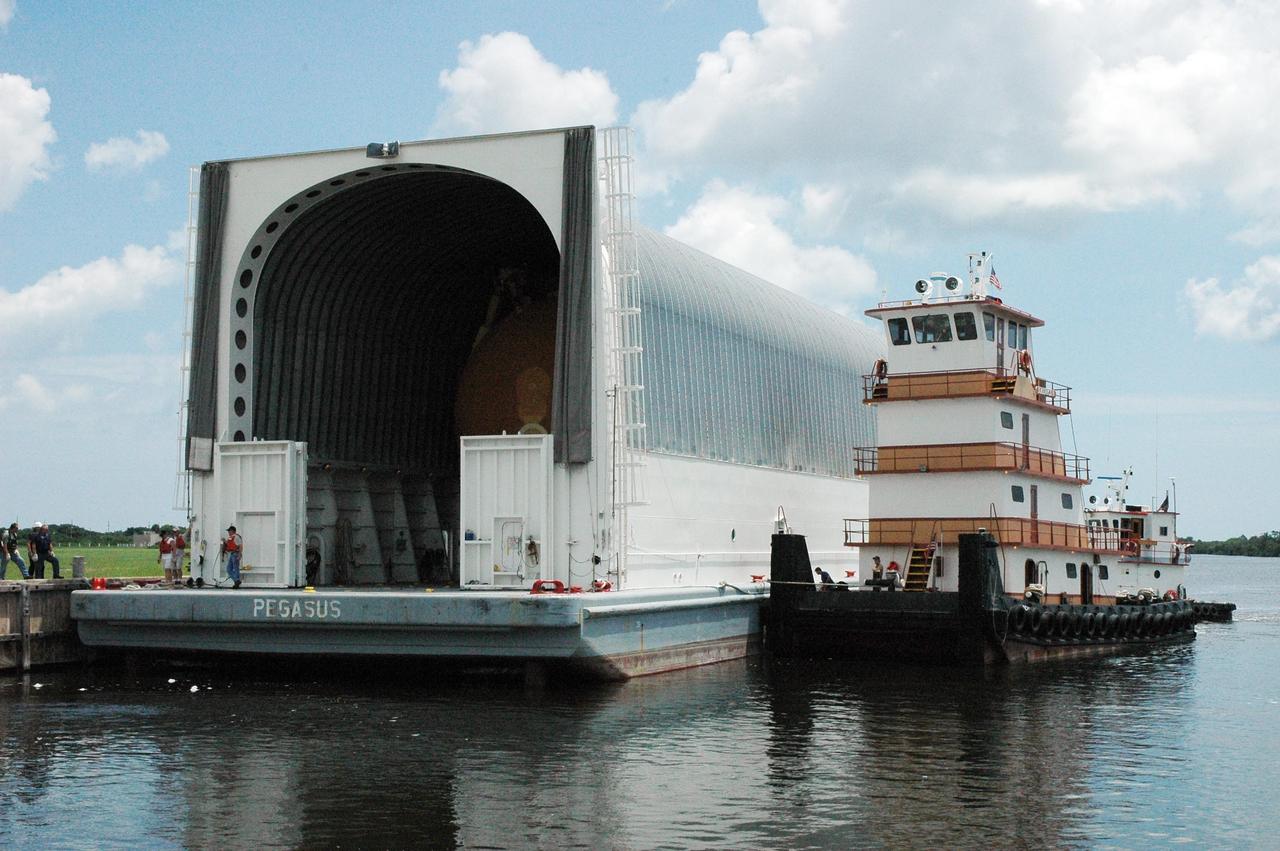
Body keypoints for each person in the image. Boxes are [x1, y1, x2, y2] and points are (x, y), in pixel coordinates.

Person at [221, 525, 242, 589]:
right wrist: (224, 541)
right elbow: (229, 545)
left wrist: (239, 554)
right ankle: (236, 580)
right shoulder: (230, 538)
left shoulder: (236, 537)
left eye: (229, 531)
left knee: (236, 568)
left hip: (235, 554)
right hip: (232, 554)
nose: (228, 532)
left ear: (232, 531)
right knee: (229, 569)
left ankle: (237, 581)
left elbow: (240, 546)